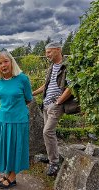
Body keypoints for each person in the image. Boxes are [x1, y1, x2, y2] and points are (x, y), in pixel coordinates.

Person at [0, 51, 33, 189]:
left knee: (15, 148)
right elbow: (2, 98)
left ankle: (13, 177)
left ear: (12, 62)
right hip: (3, 119)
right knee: (5, 148)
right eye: (0, 63)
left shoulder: (22, 78)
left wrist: (16, 109)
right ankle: (7, 174)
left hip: (18, 120)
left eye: (6, 61)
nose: (3, 65)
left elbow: (28, 98)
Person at [32, 42, 72, 176]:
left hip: (56, 105)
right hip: (46, 104)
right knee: (49, 132)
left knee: (47, 131)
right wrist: (32, 93)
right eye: (46, 52)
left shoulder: (67, 65)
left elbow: (71, 87)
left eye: (49, 52)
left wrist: (59, 101)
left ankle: (54, 163)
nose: (46, 55)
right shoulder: (52, 67)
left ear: (58, 50)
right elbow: (46, 85)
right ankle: (51, 156)